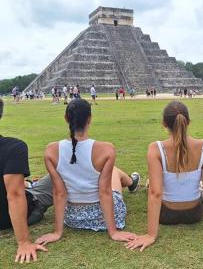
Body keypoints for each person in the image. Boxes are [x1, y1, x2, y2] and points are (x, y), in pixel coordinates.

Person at [126, 101, 203, 251]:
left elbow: (155, 193)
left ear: (164, 123)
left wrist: (151, 235)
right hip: (194, 214)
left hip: (166, 215)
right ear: (188, 122)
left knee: (152, 185)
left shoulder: (155, 148)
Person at [36, 98, 140, 246]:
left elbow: (60, 193)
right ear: (89, 119)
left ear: (66, 118)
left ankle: (132, 181)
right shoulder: (106, 149)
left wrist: (57, 232)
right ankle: (132, 182)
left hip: (73, 218)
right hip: (103, 217)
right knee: (113, 171)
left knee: (106, 171)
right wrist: (114, 232)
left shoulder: (51, 151)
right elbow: (104, 192)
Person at [0, 98, 53, 263]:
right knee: (62, 174)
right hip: (24, 210)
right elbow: (15, 195)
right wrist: (23, 242)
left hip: (16, 191)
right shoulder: (13, 147)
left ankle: (29, 184)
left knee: (21, 183)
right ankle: (127, 180)